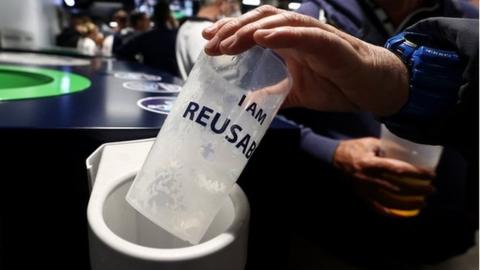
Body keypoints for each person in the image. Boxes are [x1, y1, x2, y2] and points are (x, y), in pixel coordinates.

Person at [203, 5, 478, 266]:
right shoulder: (312, 18)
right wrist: (332, 152)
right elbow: (245, 112)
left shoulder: (466, 16)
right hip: (339, 240)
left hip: (445, 239)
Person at [176, 0, 241, 80]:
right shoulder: (208, 31)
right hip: (205, 90)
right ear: (221, 3)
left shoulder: (185, 25)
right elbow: (226, 75)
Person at [116, 1, 179, 76]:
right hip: (174, 82)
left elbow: (120, 52)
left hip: (150, 79)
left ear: (153, 17)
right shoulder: (177, 36)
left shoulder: (145, 37)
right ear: (169, 16)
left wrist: (138, 66)